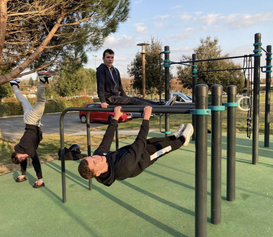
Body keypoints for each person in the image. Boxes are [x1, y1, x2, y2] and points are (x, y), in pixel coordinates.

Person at [78, 106, 194, 186]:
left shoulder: (99, 156)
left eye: (92, 158)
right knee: (164, 147)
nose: (96, 157)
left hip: (130, 151)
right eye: (95, 162)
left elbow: (107, 139)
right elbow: (139, 143)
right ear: (98, 173)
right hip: (143, 158)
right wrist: (146, 118)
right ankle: (183, 139)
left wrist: (115, 118)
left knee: (153, 140)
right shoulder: (122, 167)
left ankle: (174, 136)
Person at [9, 73, 53, 188]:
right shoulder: (19, 149)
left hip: (32, 120)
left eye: (21, 157)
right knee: (23, 100)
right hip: (28, 120)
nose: (24, 158)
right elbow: (22, 159)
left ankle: (42, 81)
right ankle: (13, 84)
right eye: (22, 158)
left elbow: (36, 162)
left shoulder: (27, 148)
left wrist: (40, 179)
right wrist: (23, 174)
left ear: (16, 154)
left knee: (41, 101)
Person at [96, 49, 176, 108]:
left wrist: (126, 98)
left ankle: (161, 104)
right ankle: (159, 108)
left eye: (112, 57)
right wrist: (103, 101)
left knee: (134, 98)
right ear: (103, 58)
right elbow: (100, 86)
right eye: (108, 57)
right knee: (133, 101)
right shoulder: (101, 69)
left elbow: (120, 87)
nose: (110, 59)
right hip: (110, 99)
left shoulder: (115, 70)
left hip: (118, 97)